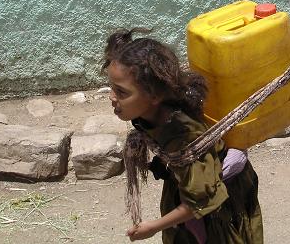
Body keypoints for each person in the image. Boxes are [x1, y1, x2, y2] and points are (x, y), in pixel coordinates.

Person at [102, 28, 263, 243]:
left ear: (155, 95)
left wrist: (152, 228)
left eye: (121, 92)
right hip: (187, 188)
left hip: (216, 202)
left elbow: (201, 201)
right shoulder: (152, 115)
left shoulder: (184, 137)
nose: (112, 97)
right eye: (111, 88)